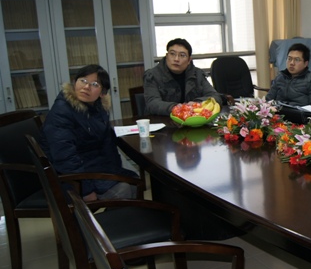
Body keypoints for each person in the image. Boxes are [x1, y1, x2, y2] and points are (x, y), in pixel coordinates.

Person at [40, 65, 138, 201]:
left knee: (134, 182)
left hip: (93, 167)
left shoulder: (98, 108)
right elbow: (65, 156)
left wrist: (115, 171)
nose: (86, 87)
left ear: (102, 93)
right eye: (83, 81)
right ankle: (93, 216)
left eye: (94, 84)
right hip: (70, 177)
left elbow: (108, 146)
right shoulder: (62, 112)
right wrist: (85, 190)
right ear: (74, 83)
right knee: (123, 190)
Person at [143, 38, 223, 115]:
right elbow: (152, 103)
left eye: (182, 55)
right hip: (163, 120)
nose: (176, 59)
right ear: (167, 56)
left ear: (189, 60)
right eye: (172, 54)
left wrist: (197, 103)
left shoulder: (197, 74)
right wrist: (176, 108)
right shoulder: (152, 75)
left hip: (192, 120)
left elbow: (215, 97)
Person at [265, 43, 311, 109]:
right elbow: (268, 100)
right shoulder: (280, 77)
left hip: (299, 114)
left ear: (306, 63)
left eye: (297, 60)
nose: (292, 63)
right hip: (278, 113)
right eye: (289, 59)